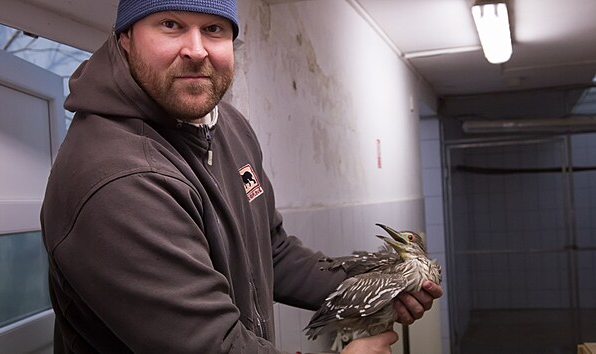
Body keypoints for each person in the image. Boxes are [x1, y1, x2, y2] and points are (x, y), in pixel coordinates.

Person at [40, 0, 443, 353]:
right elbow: (210, 346)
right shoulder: (118, 179)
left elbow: (272, 251)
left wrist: (376, 286)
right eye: (170, 24)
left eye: (214, 29)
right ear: (125, 37)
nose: (196, 50)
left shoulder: (228, 126)